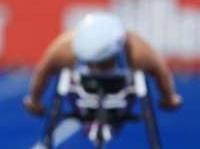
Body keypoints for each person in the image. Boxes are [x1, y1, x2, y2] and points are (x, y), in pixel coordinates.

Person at [23, 12, 182, 116]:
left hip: (120, 89)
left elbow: (162, 72)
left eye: (103, 62)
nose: (97, 68)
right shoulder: (64, 49)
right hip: (83, 88)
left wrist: (35, 101)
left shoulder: (137, 51)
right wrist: (168, 99)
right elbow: (42, 70)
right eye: (91, 62)